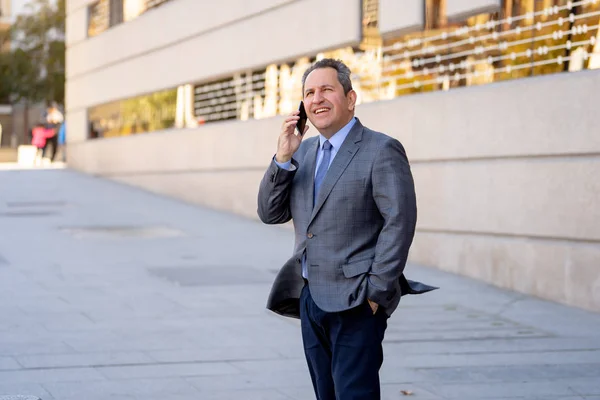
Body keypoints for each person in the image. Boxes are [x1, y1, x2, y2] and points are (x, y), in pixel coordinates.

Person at [257, 58, 437, 400]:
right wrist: (283, 157)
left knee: (355, 395)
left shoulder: (381, 149)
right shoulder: (304, 151)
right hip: (310, 297)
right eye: (309, 92)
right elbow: (269, 212)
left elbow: (399, 222)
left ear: (350, 98)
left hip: (357, 300)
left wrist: (375, 293)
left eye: (327, 89)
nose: (317, 99)